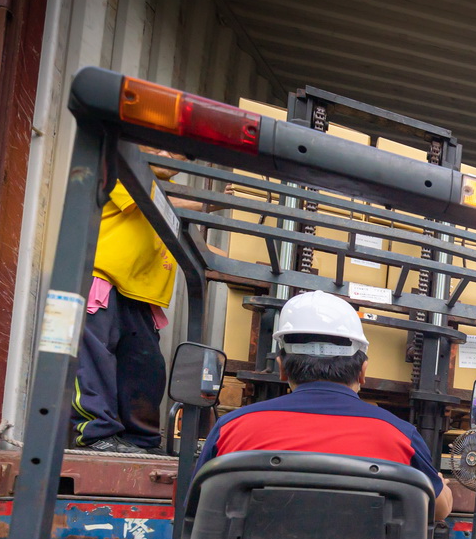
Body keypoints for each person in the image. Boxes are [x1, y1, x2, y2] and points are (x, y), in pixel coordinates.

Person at [197, 291, 452, 520]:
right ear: (363, 371)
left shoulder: (231, 428)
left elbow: (199, 508)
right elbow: (437, 510)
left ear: (281, 368)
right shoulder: (399, 436)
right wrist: (443, 488)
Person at [72, 174, 178, 453]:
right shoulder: (127, 170)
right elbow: (160, 203)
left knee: (146, 367)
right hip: (104, 276)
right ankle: (94, 433)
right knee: (95, 358)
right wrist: (202, 206)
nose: (171, 156)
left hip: (139, 292)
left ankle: (141, 439)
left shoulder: (158, 190)